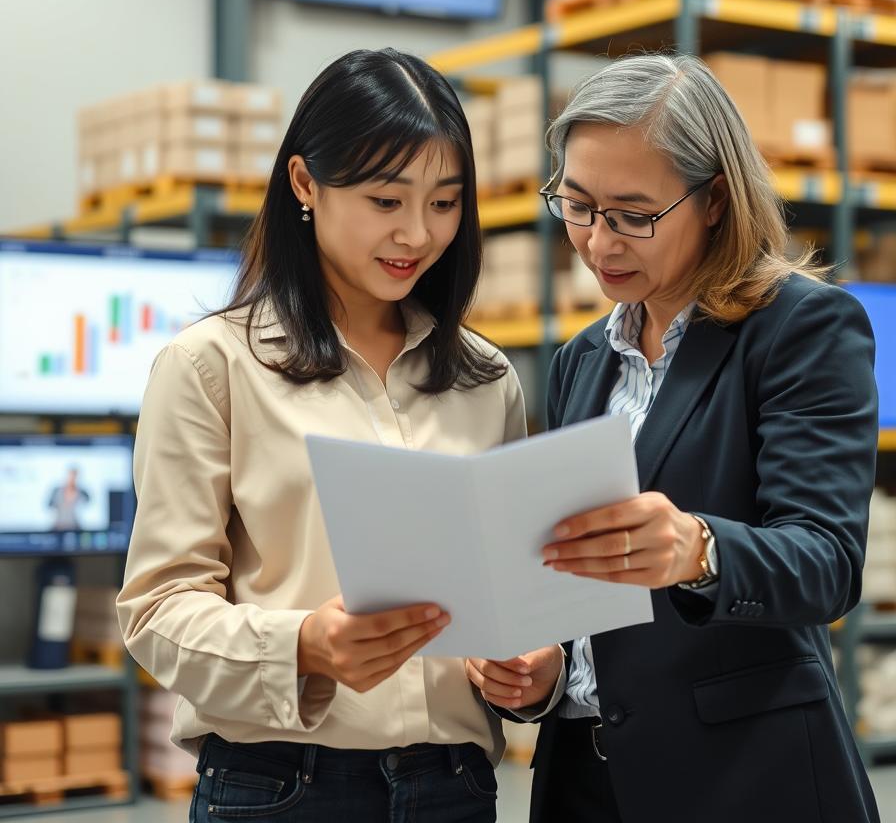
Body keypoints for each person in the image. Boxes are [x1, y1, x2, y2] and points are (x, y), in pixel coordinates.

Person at [465, 52, 880, 823]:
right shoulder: (581, 361)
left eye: (633, 214)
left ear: (716, 199)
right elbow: (579, 589)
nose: (599, 243)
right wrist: (549, 672)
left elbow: (827, 562)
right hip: (586, 782)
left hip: (743, 781)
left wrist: (701, 550)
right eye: (578, 205)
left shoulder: (798, 330)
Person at [117, 48, 526, 823]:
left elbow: (504, 597)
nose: (418, 233)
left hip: (455, 788)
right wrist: (304, 644)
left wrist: (531, 674)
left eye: (445, 203)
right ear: (305, 183)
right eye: (385, 200)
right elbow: (157, 610)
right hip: (280, 790)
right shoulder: (212, 366)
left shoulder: (485, 378)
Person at [47, 466, 89, 530]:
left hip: (75, 526)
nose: (72, 479)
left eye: (75, 476)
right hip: (58, 526)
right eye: (71, 476)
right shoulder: (57, 491)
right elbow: (49, 506)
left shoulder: (82, 493)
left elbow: (88, 503)